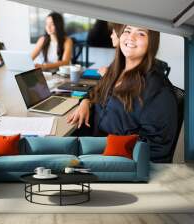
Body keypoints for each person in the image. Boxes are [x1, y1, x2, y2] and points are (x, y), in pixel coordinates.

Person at [67, 25, 178, 162]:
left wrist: (105, 156)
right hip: (93, 147)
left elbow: (156, 149)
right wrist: (85, 102)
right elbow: (97, 91)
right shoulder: (117, 69)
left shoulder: (158, 90)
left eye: (141, 33)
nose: (131, 37)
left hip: (115, 161)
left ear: (152, 42)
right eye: (127, 31)